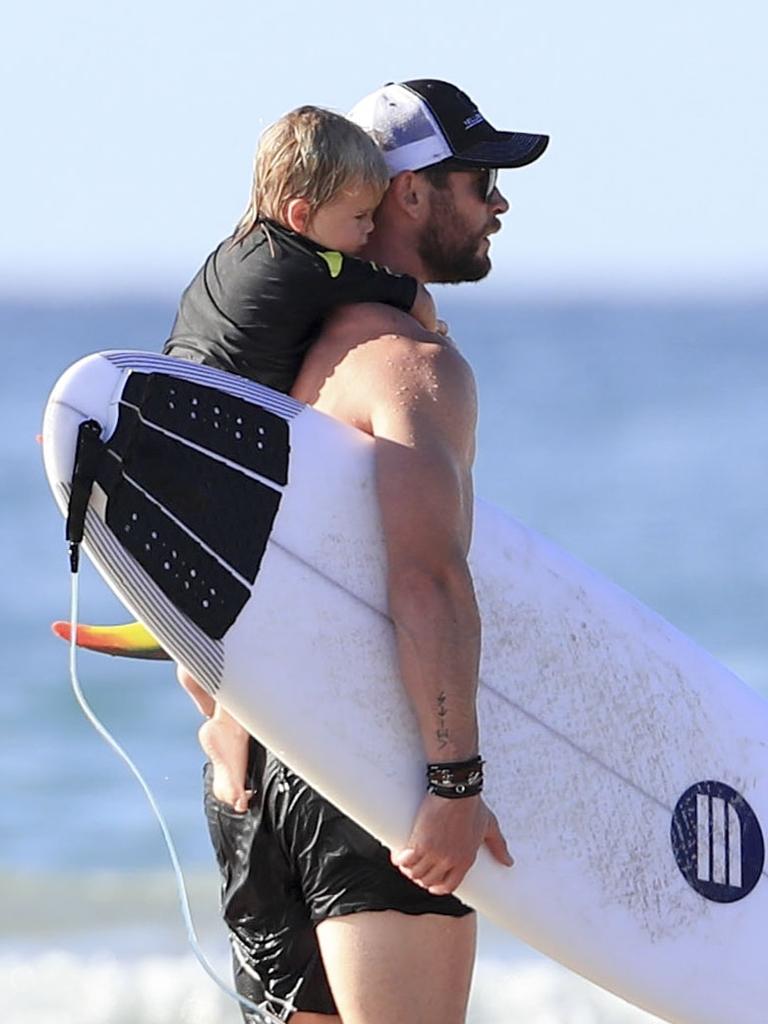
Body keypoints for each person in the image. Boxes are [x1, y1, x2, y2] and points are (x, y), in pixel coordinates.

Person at [175, 78, 548, 1023]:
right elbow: (426, 581)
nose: (500, 204)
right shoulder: (409, 365)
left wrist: (221, 727)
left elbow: (200, 544)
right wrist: (454, 783)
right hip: (369, 782)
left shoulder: (268, 356)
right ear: (411, 193)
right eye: (481, 181)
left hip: (252, 775)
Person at [164, 103, 442, 811]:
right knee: (244, 603)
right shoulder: (310, 268)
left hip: (171, 435)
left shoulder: (233, 251)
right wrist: (422, 309)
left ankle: (213, 703)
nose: (365, 236)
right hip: (219, 456)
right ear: (299, 212)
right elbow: (405, 294)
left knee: (213, 615)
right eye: (357, 220)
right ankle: (227, 728)